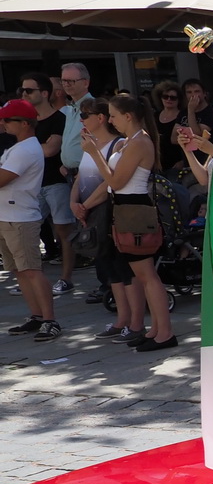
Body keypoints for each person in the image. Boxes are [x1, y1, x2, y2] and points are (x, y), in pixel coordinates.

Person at [86, 95, 175, 352]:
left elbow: (116, 182)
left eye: (113, 115)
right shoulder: (128, 142)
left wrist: (95, 154)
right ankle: (156, 329)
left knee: (147, 275)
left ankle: (164, 332)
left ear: (127, 116)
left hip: (134, 210)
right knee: (141, 275)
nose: (110, 120)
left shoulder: (140, 142)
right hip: (125, 208)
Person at [70, 98, 140, 340]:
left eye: (85, 115)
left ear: (99, 118)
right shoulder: (90, 145)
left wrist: (85, 206)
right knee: (109, 269)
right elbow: (81, 177)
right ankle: (122, 319)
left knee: (123, 268)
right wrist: (73, 202)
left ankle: (134, 322)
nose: (81, 120)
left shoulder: (118, 144)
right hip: (91, 214)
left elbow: (109, 182)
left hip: (109, 214)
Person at [0, 99, 54, 341]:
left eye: (7, 120)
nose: (3, 124)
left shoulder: (26, 149)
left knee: (31, 270)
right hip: (7, 216)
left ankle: (50, 320)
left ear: (24, 123)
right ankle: (37, 316)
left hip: (20, 218)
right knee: (19, 271)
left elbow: (2, 179)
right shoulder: (18, 147)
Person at [21, 74, 74, 298]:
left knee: (64, 232)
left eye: (29, 91)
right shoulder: (28, 121)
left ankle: (66, 278)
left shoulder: (59, 119)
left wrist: (27, 148)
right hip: (33, 185)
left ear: (44, 93)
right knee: (28, 232)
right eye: (22, 90)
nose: (24, 94)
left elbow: (50, 150)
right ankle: (33, 280)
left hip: (56, 182)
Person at [54, 63, 90, 296]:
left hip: (85, 174)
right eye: (64, 80)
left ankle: (108, 283)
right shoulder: (71, 108)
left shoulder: (90, 107)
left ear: (85, 82)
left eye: (71, 81)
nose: (66, 84)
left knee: (92, 226)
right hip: (71, 172)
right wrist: (64, 163)